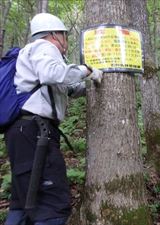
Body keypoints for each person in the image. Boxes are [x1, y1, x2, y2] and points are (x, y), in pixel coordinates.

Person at [4, 13, 102, 225]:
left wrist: (86, 87)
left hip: (24, 133)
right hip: (34, 133)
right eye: (64, 35)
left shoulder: (34, 54)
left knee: (24, 202)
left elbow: (64, 87)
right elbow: (51, 74)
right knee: (52, 204)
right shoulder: (44, 47)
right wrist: (87, 70)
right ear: (54, 34)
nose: (65, 40)